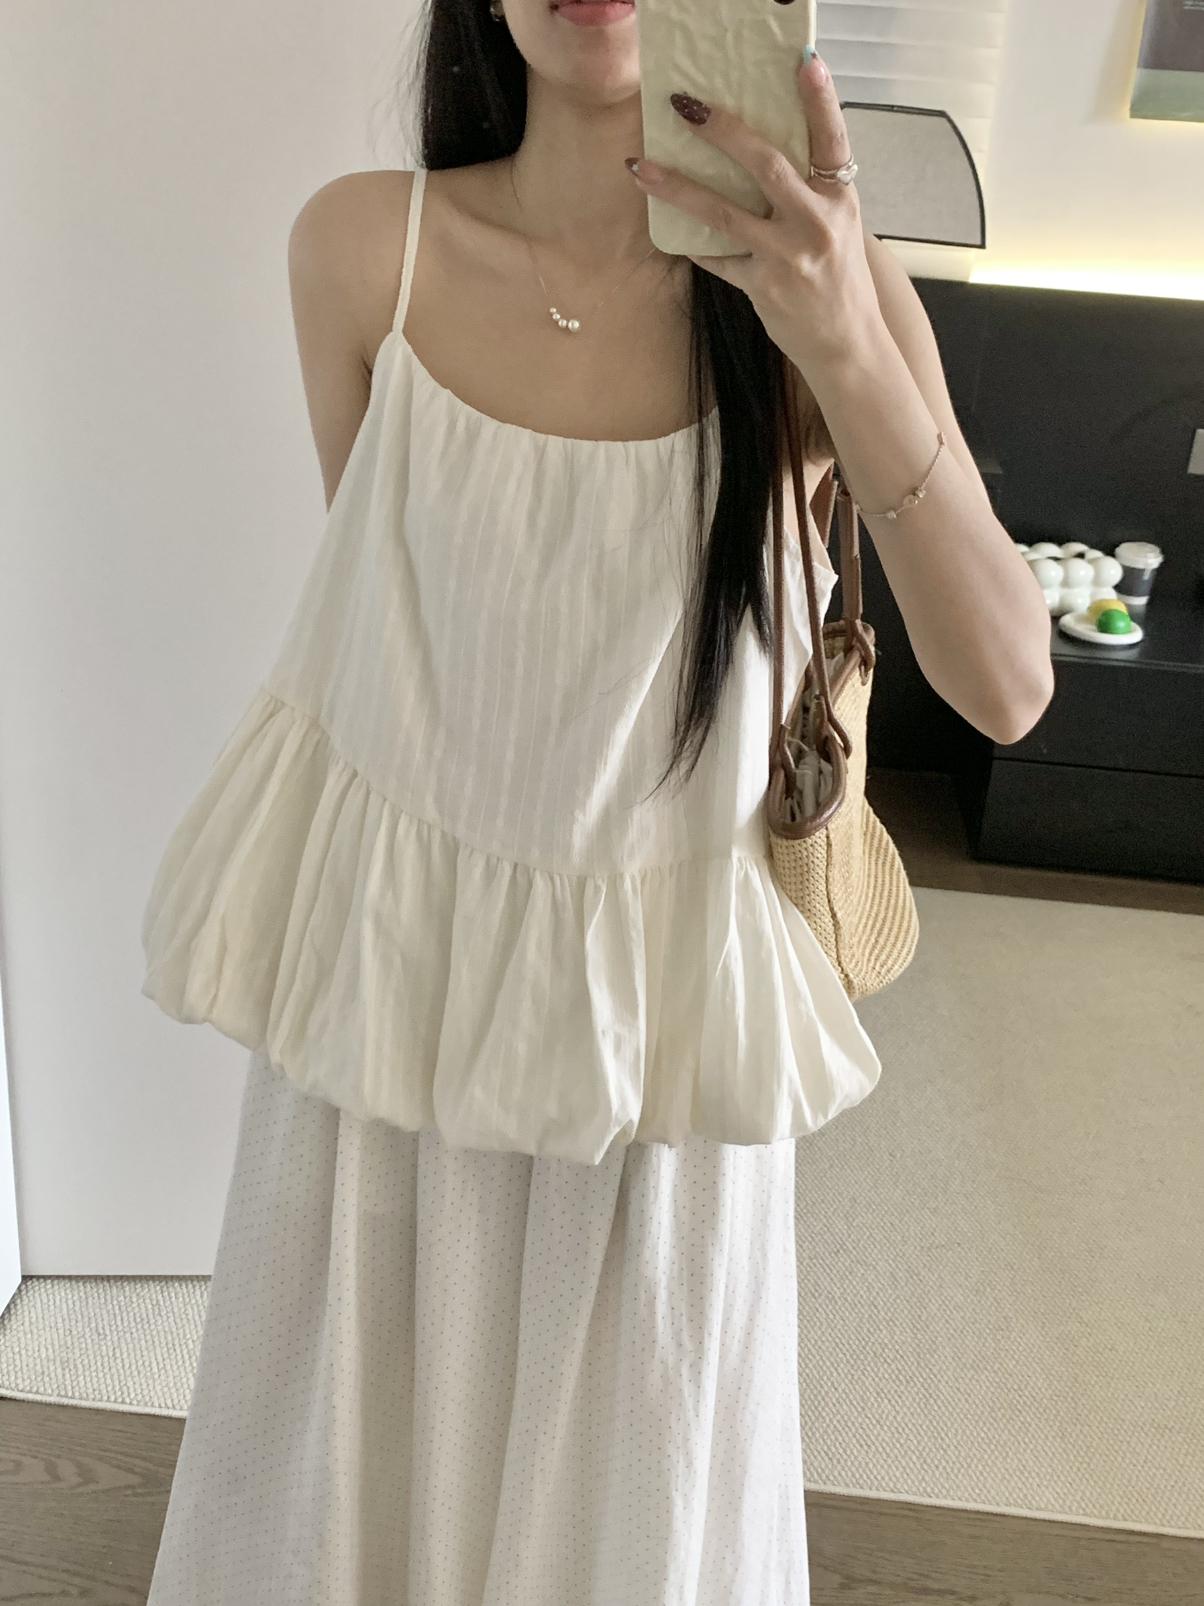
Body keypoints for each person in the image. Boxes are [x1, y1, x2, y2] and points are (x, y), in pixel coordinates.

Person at [141, 3, 1054, 1601]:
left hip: (662, 1067)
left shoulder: (819, 291)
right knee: (344, 1497)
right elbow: (403, 658)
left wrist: (842, 335)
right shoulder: (362, 252)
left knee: (631, 1516)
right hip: (392, 1026)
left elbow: (1006, 684)